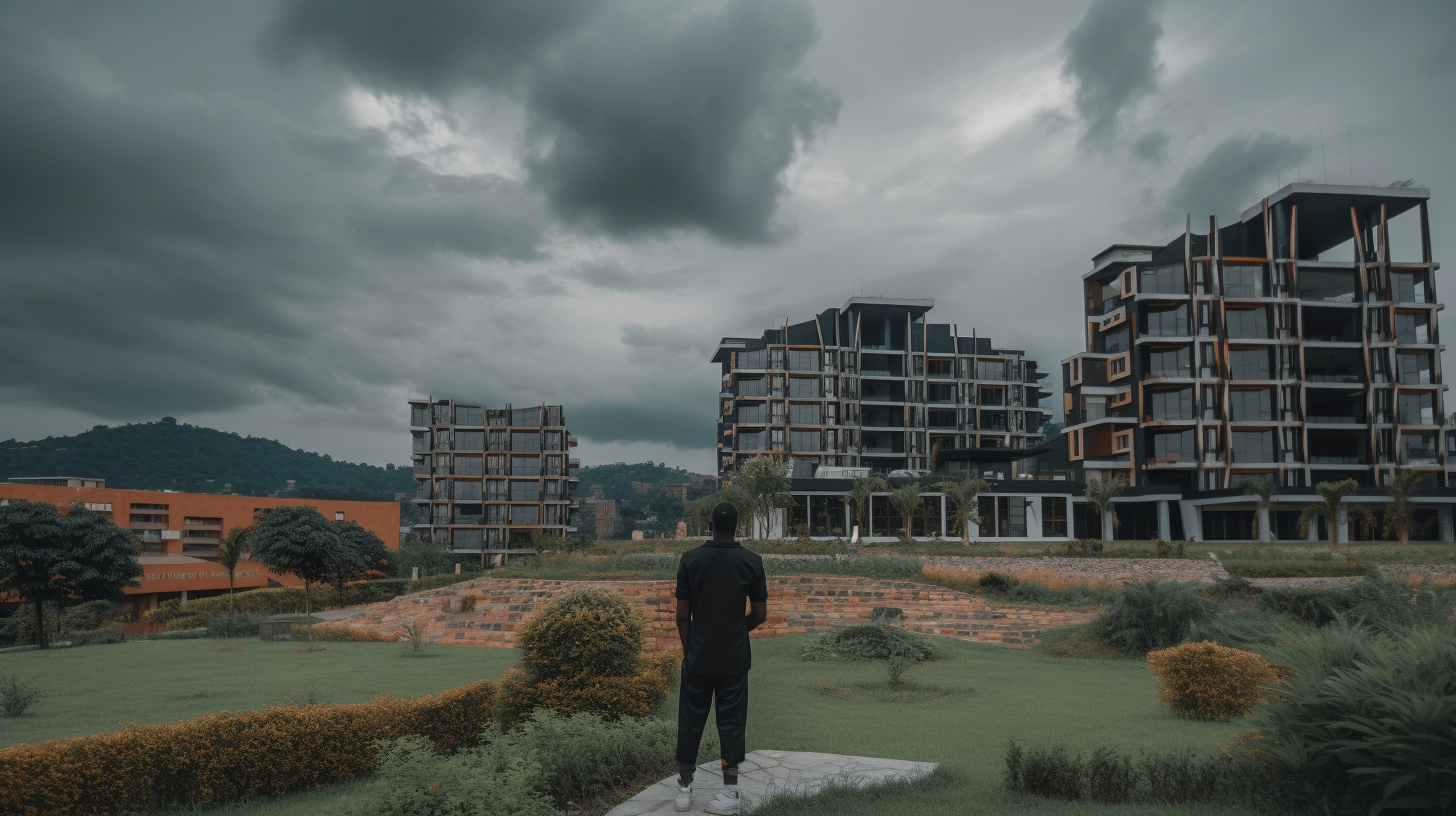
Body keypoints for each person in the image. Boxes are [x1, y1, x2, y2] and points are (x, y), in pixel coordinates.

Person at [672, 502, 768, 814]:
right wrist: (738, 631)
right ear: (738, 526)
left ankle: (684, 790)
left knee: (690, 721)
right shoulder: (752, 561)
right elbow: (760, 614)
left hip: (699, 657)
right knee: (732, 724)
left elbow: (682, 616)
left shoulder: (691, 559)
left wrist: (690, 653)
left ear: (711, 524)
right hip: (734, 659)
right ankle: (729, 792)